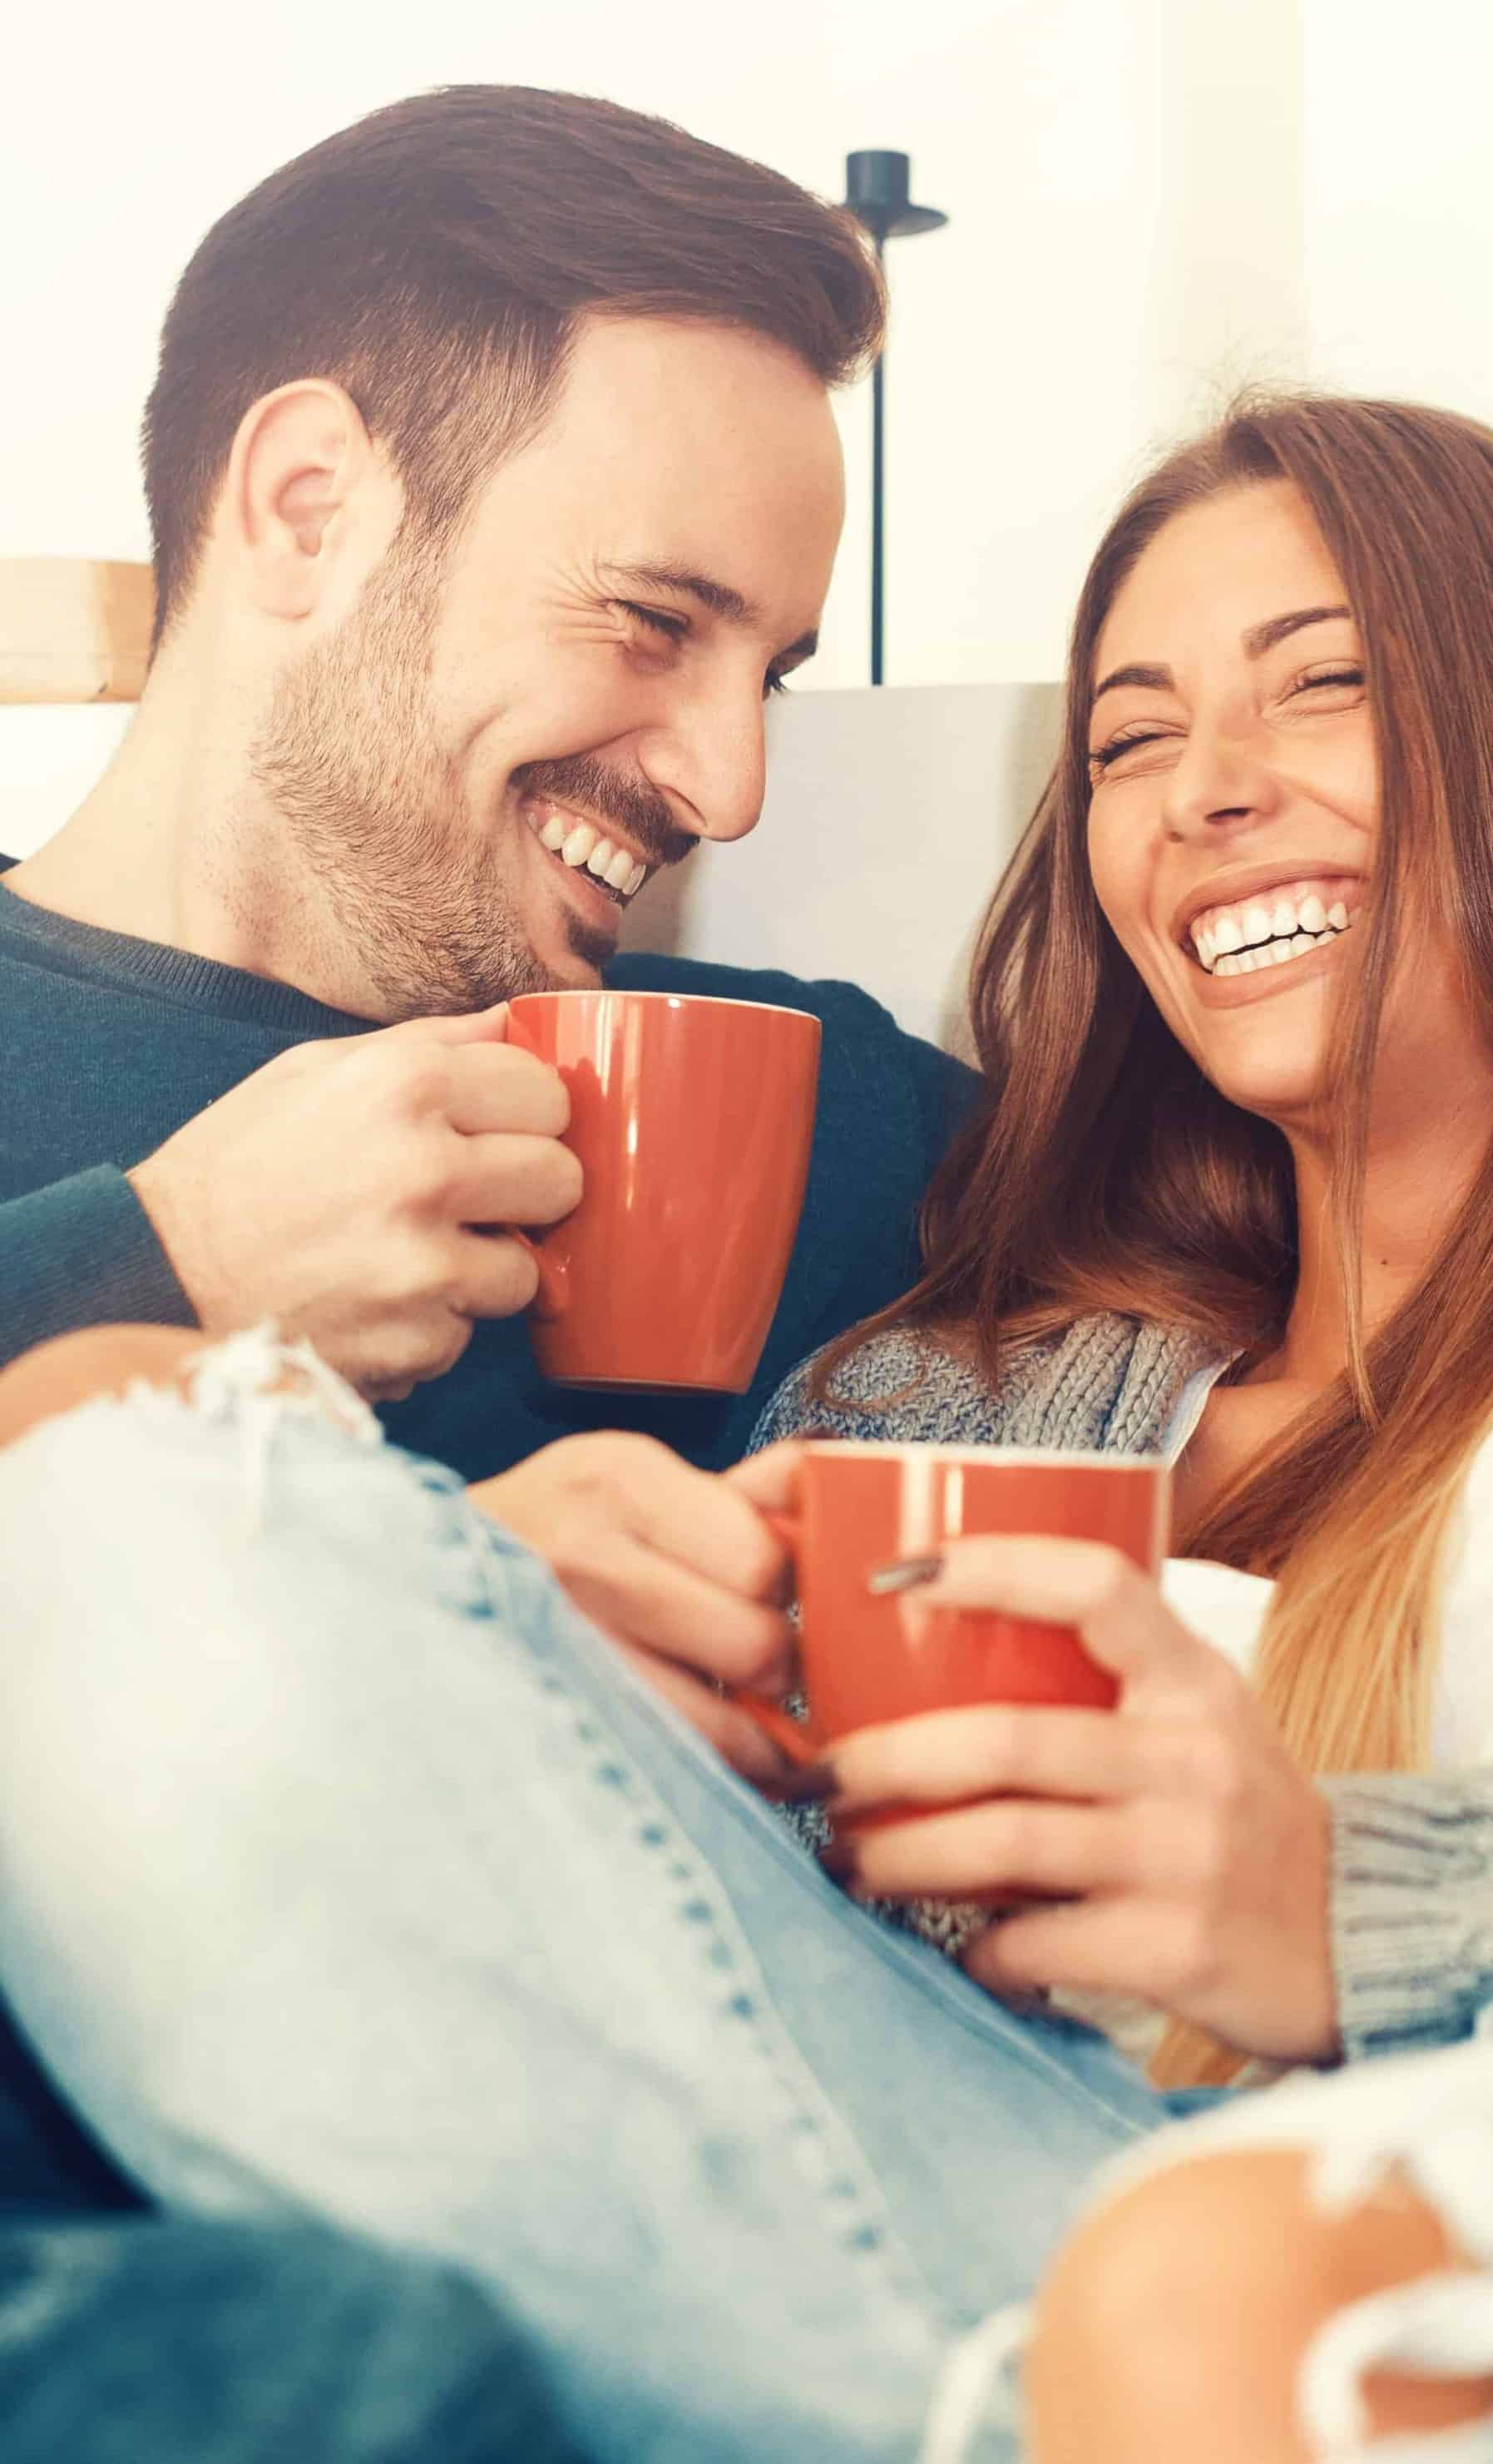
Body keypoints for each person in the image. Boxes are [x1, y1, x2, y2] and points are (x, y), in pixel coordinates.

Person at [6, 392, 1493, 2464]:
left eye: (1327, 686)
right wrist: (542, 1646)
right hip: (1109, 2239)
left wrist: (1364, 1896)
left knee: (1241, 2287)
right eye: (1128, 741)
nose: (1201, 790)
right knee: (96, 1455)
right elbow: (779, 2022)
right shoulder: (949, 1395)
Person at [0, 83, 967, 2457]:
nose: (727, 779)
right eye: (656, 623)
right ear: (310, 504)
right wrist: (155, 1264)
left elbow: (1406, 1219)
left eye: (771, 666)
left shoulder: (776, 1104)